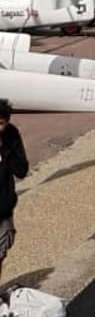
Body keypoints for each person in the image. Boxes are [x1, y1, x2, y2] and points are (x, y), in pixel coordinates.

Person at [0, 99, 29, 281]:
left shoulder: (11, 136)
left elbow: (21, 170)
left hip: (3, 209)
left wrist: (5, 149)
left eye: (1, 123)